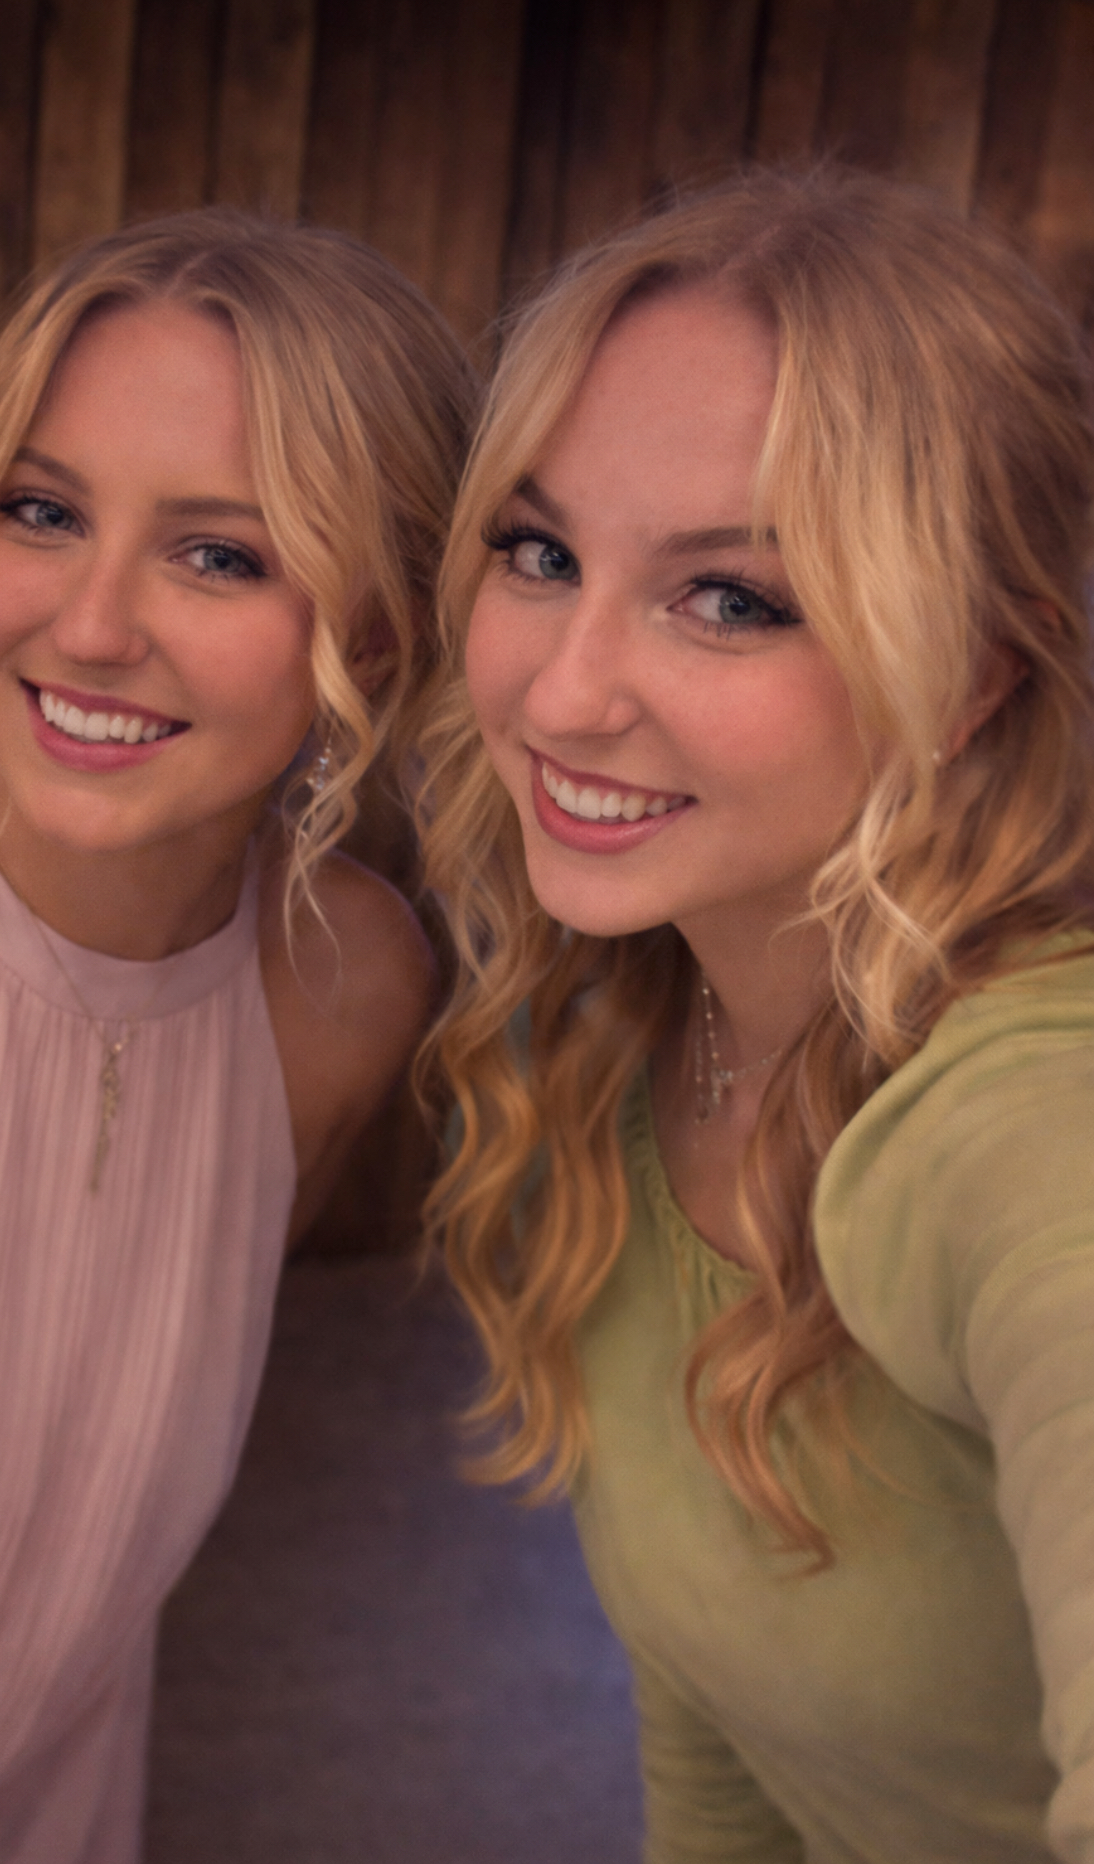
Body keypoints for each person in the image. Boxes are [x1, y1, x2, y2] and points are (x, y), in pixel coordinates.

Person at [417, 168, 1094, 1862]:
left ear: (972, 674)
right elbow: (716, 1732)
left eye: (729, 597)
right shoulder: (591, 1039)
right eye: (538, 549)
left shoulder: (1033, 1134)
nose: (562, 693)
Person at [0, 207, 473, 1861]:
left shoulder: (349, 987)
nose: (90, 626)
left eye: (219, 553)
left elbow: (78, 1540)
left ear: (371, 637)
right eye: (40, 511)